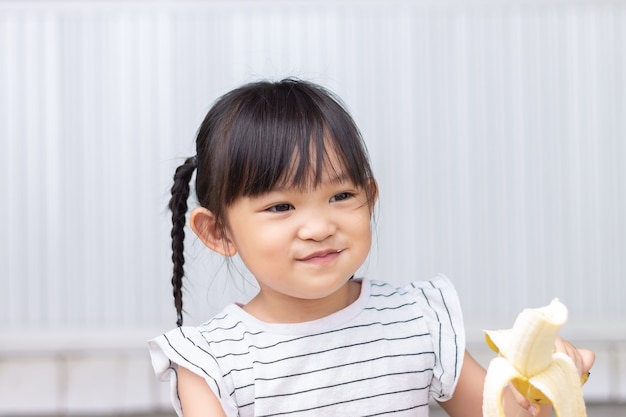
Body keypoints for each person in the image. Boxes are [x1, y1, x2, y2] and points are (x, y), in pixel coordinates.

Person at [149, 79, 594, 417]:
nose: (319, 227)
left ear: (370, 198)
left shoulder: (419, 322)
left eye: (340, 196)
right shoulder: (212, 362)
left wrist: (549, 381)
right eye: (281, 205)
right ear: (218, 232)